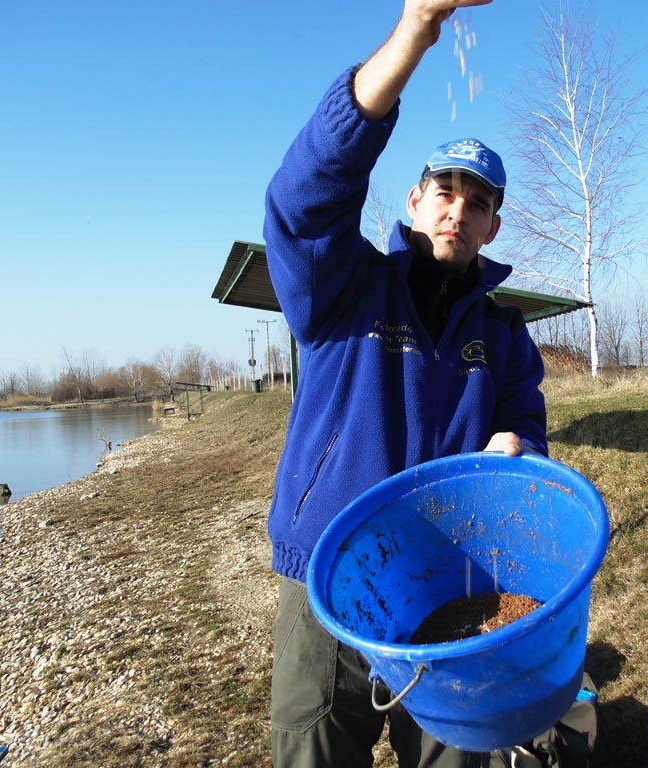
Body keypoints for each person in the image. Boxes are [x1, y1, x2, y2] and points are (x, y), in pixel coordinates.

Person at [262, 1, 548, 766]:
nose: (459, 209)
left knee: (457, 755)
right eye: (445, 191)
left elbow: (528, 429)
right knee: (315, 748)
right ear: (415, 200)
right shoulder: (344, 287)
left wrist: (518, 446)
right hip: (331, 577)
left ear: (492, 226)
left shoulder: (506, 335)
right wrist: (418, 28)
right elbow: (303, 196)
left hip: (450, 585)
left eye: (478, 201)